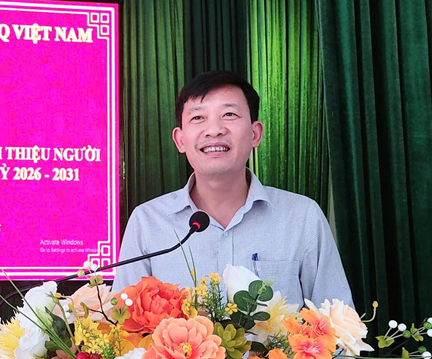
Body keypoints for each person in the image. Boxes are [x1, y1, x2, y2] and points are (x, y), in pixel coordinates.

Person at [111, 71, 352, 308]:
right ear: (180, 140)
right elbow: (122, 323)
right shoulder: (147, 223)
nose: (214, 130)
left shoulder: (302, 217)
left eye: (229, 114)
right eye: (198, 117)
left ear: (255, 134)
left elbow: (338, 323)